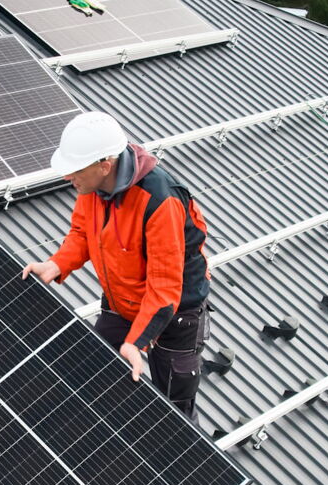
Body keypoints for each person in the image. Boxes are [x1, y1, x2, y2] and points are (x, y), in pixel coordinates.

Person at [20, 112, 212, 420]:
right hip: (122, 303)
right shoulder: (92, 187)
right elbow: (83, 232)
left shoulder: (160, 201)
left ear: (104, 165)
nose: (67, 178)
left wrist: (136, 342)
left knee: (175, 410)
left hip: (176, 315)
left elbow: (164, 288)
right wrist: (56, 265)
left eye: (74, 171)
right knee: (96, 370)